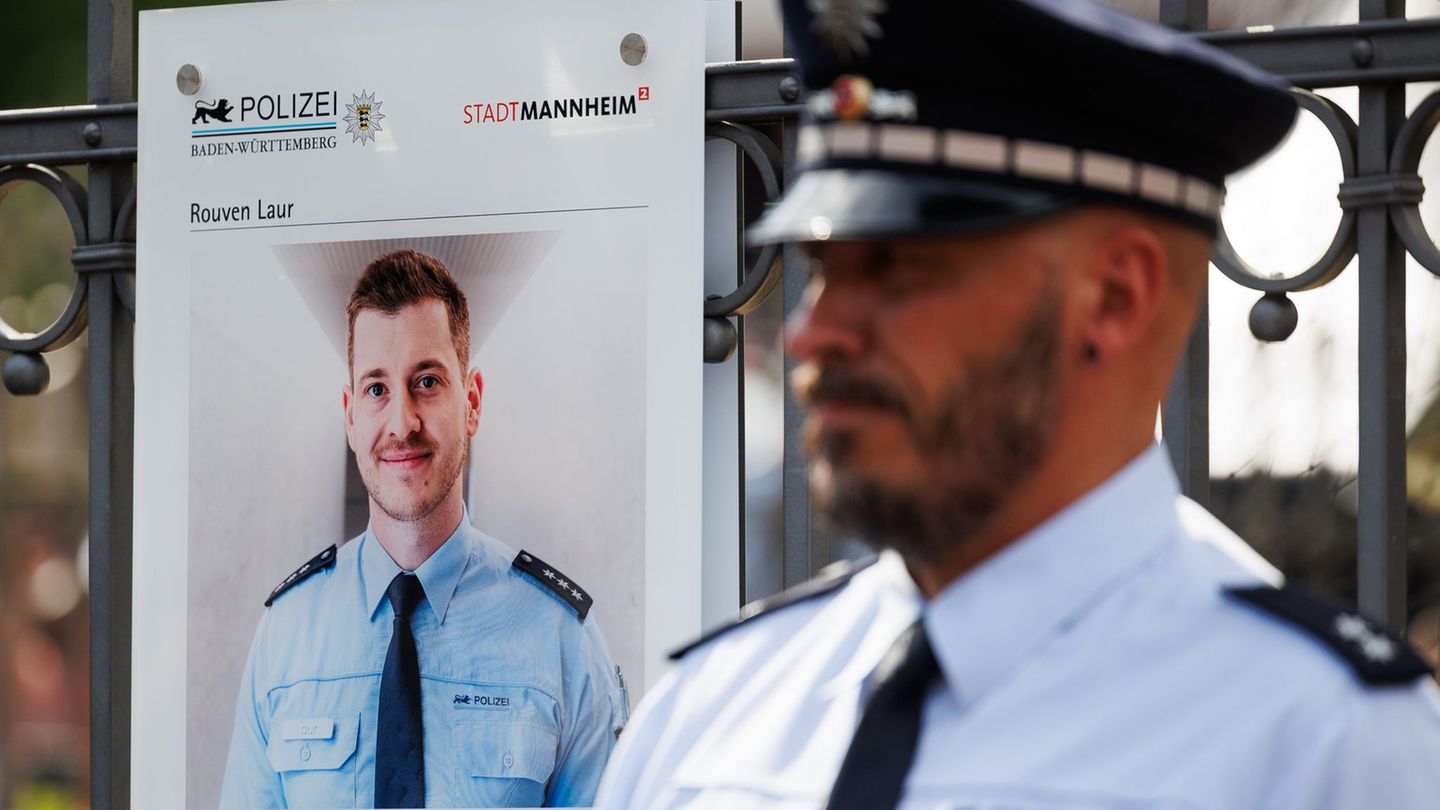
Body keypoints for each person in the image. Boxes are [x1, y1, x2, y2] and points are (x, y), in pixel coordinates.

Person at [595, 1, 1440, 808]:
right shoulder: (707, 718)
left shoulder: (1321, 746)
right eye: (821, 271)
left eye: (897, 269)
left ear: (1116, 295)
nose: (815, 335)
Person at [220, 249, 626, 809]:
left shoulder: (560, 639)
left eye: (427, 381)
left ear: (473, 401)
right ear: (350, 414)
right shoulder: (285, 636)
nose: (402, 423)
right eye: (377, 389)